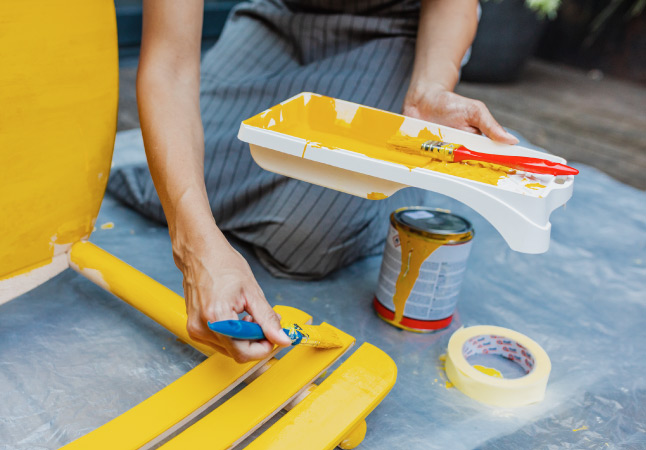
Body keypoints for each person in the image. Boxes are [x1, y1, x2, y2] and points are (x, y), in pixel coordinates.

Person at [107, 0, 519, 363]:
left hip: (399, 31)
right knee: (170, 175)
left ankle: (390, 180)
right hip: (281, 17)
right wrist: (193, 245)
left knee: (305, 236)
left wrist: (428, 89)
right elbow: (170, 68)